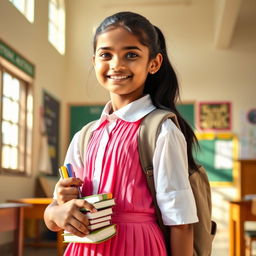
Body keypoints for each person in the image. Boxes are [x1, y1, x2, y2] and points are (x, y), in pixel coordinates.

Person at [44, 11, 199, 256]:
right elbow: (53, 215)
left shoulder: (161, 131)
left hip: (139, 247)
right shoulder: (84, 137)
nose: (117, 64)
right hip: (85, 249)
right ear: (94, 60)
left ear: (154, 63)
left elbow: (181, 223)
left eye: (131, 54)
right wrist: (58, 211)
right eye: (106, 54)